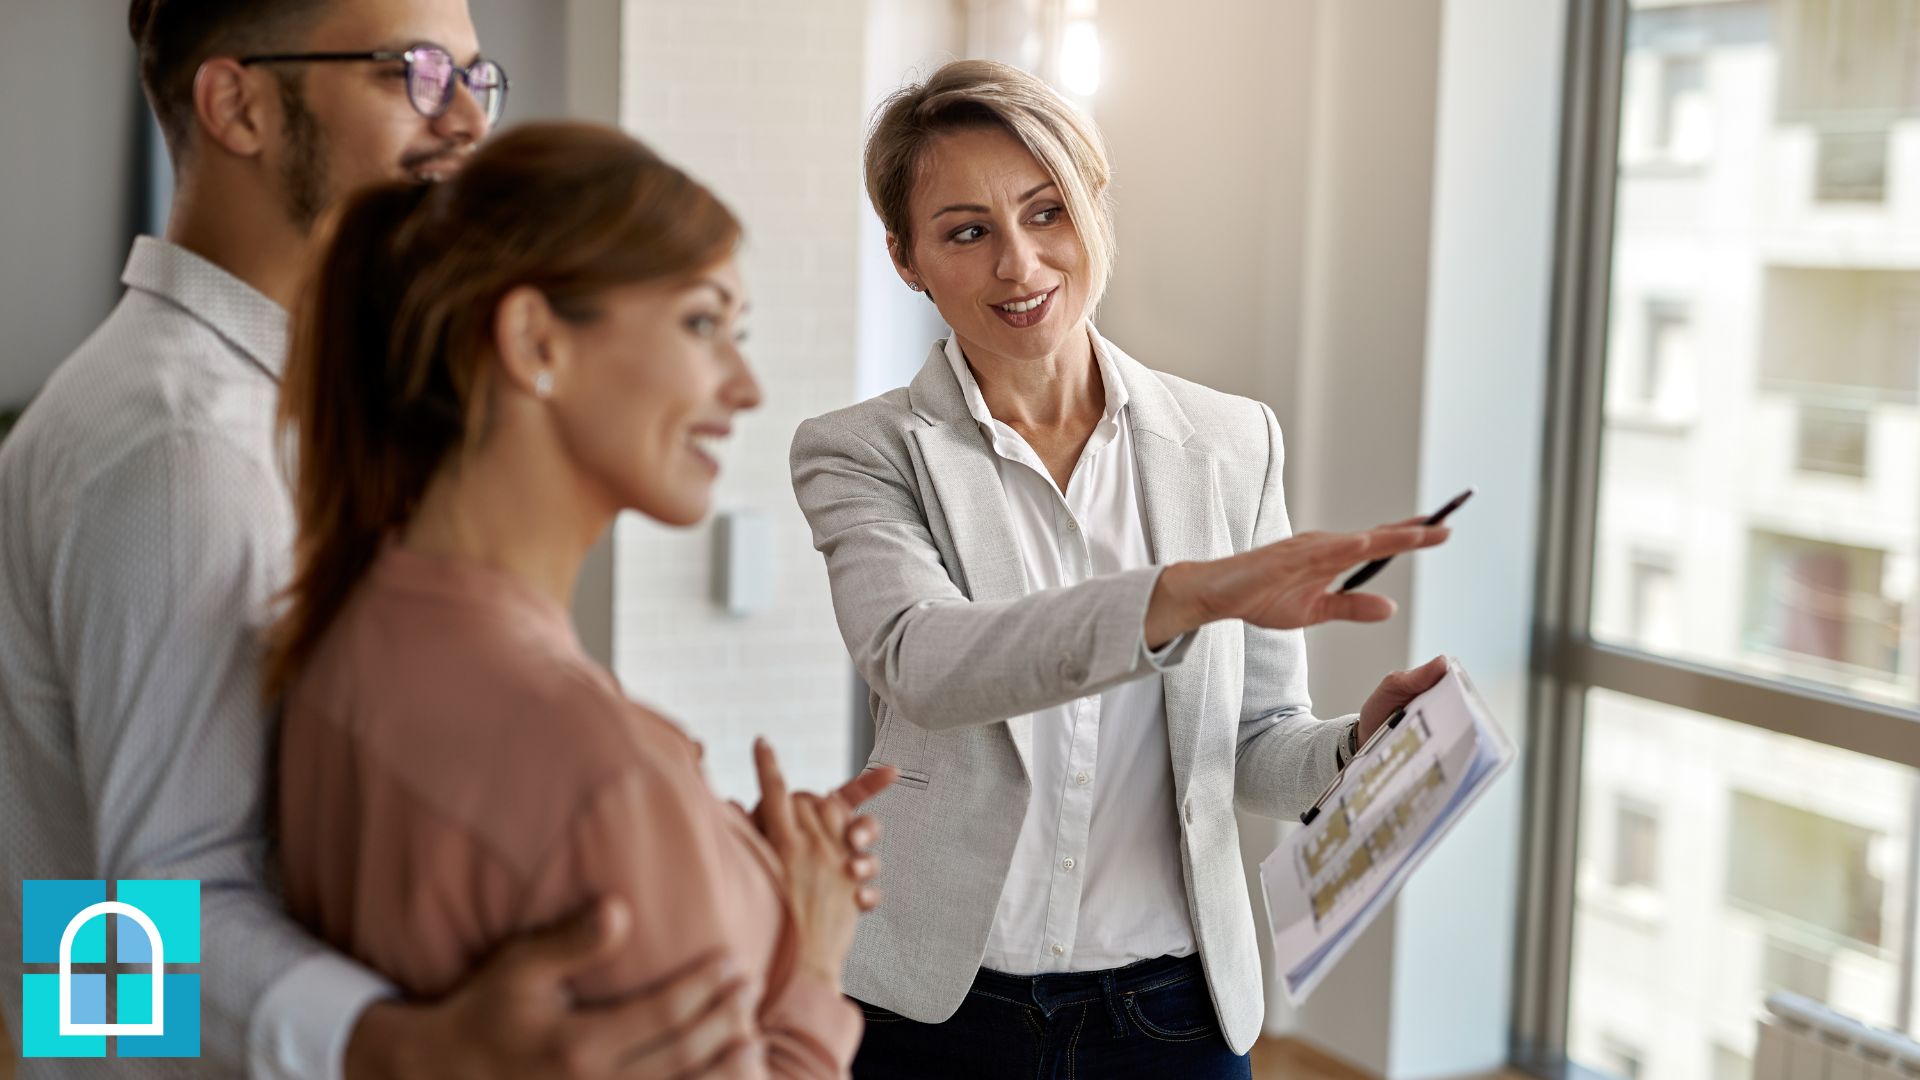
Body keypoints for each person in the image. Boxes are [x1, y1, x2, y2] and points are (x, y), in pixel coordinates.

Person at [0, 3, 859, 1077]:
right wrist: (398, 1045)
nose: (465, 120)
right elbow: (111, 946)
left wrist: (696, 848)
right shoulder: (182, 448)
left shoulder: (329, 420)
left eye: (471, 75)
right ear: (239, 104)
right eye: (407, 73)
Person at [789, 59, 1454, 1079]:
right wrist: (1182, 596)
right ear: (907, 258)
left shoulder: (1233, 443)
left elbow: (1255, 744)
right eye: (967, 231)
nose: (1020, 263)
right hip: (940, 1006)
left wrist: (1359, 747)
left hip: (1172, 1014)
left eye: (1047, 211)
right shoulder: (863, 451)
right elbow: (926, 662)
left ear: (1095, 210)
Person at [268, 121, 889, 1080]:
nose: (748, 385)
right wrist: (811, 962)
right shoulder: (163, 462)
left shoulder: (355, 628)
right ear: (533, 341)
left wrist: (723, 850)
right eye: (701, 323)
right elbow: (83, 927)